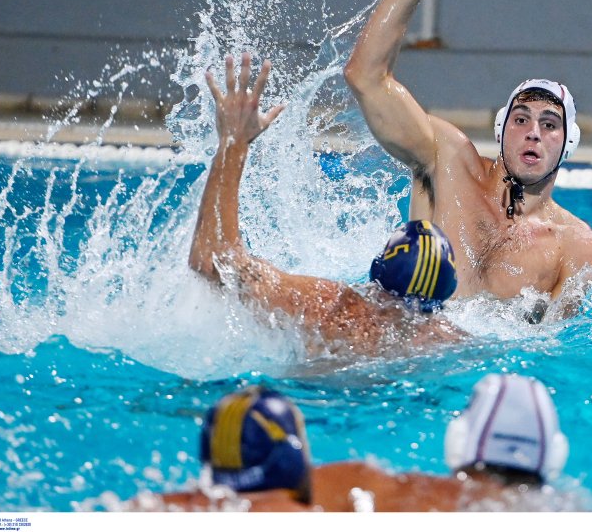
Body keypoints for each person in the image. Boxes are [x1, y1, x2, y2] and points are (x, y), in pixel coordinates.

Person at [344, 0, 592, 308]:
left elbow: (560, 343)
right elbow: (365, 77)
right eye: (521, 119)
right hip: (402, 331)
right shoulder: (445, 159)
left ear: (568, 144)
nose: (533, 132)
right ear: (501, 129)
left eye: (549, 124)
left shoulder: (576, 249)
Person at [188, 52, 463, 358]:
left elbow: (213, 261)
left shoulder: (328, 309)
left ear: (377, 273)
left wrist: (234, 142)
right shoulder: (450, 341)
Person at [147, 374, 570, 512]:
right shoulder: (574, 510)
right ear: (554, 455)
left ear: (458, 442)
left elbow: (260, 501)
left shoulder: (383, 489)